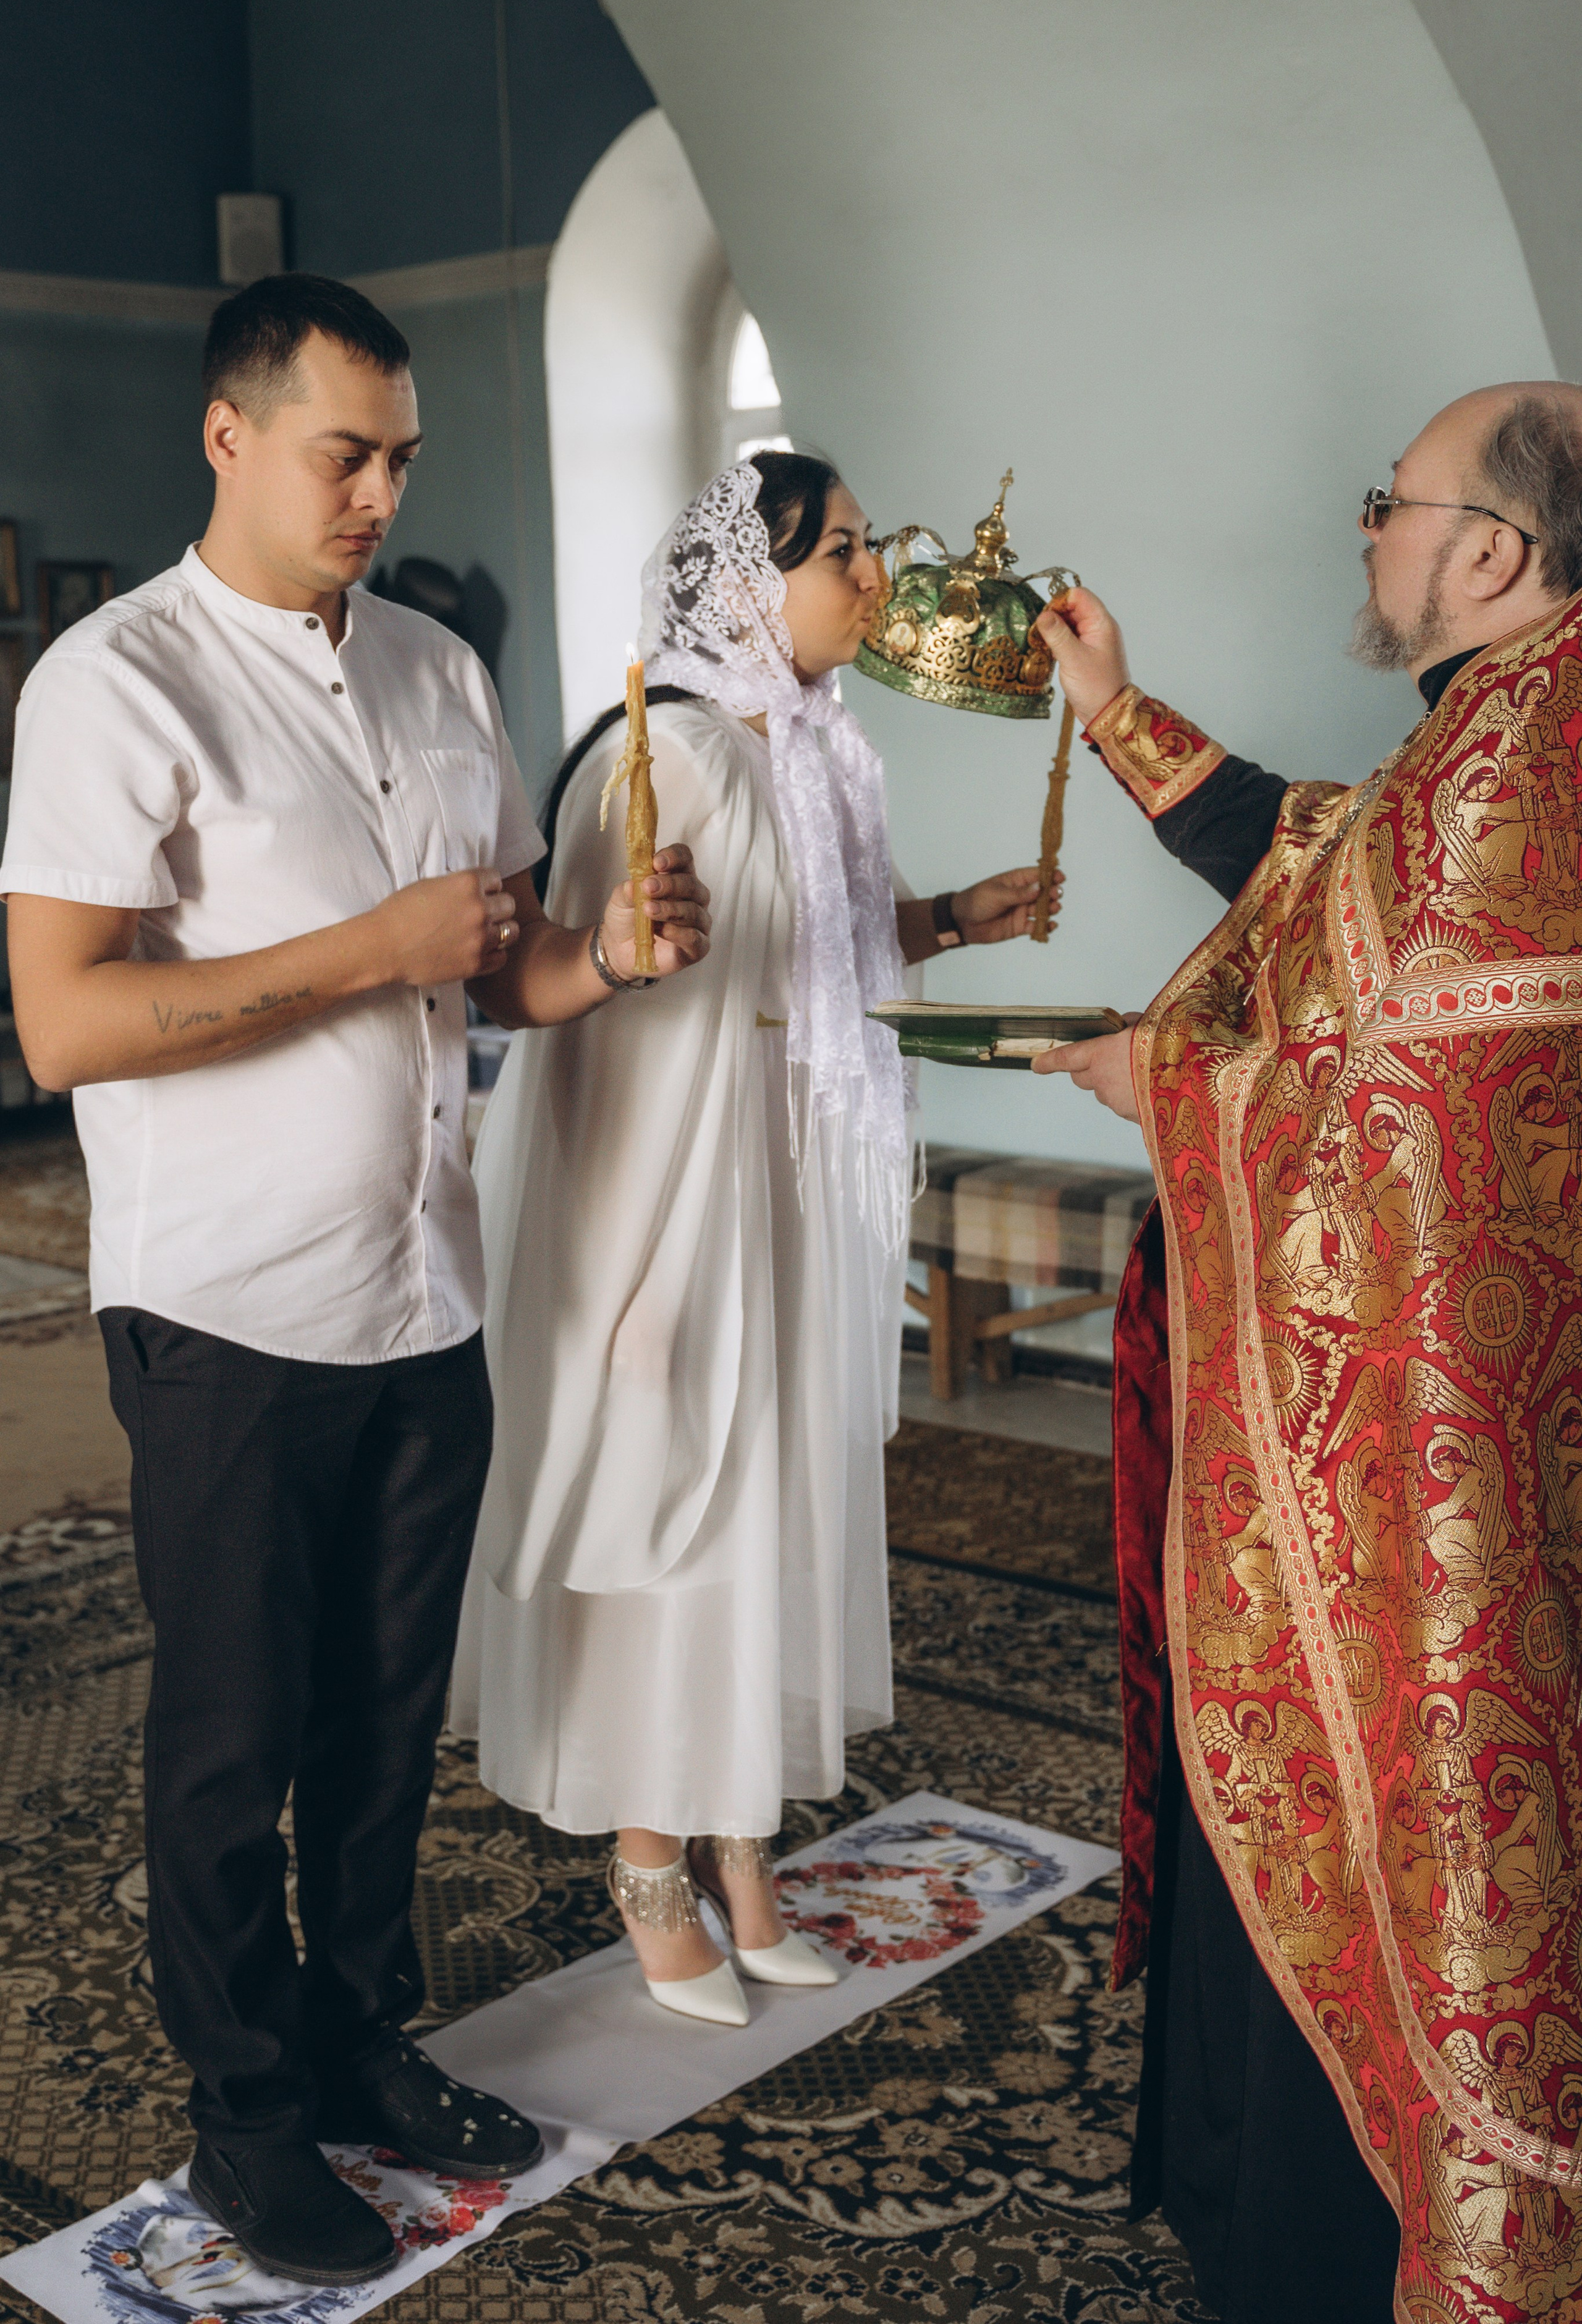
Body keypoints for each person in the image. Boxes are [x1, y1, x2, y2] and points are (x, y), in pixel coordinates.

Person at [0, 273, 709, 2288]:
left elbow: (500, 972)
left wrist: (609, 957)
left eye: (402, 457)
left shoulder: (435, 668)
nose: (383, 493)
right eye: (345, 454)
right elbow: (64, 1024)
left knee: (387, 1726)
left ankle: (359, 2040)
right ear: (227, 436)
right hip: (227, 1309)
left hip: (426, 1291)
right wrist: (369, 949)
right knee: (234, 1744)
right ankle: (245, 2120)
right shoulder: (115, 684)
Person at [1030, 383, 1582, 2324]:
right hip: (1495, 1427)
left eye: (1392, 502)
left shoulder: (1529, 750)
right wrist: (1115, 708)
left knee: (1435, 1804)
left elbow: (1408, 1102)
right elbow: (1318, 868)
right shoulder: (1501, 728)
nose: (1370, 531)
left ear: (1492, 552)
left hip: (1437, 1476)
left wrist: (1165, 1083)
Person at [450, 454, 1048, 2022]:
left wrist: (954, 919)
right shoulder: (671, 754)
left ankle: (738, 1841)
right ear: (744, 581)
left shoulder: (818, 747)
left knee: (768, 1501)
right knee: (679, 1512)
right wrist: (630, 1269)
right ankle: (648, 1858)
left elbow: (823, 949)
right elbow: (603, 1030)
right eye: (844, 551)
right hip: (676, 1196)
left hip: (784, 1189)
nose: (875, 579)